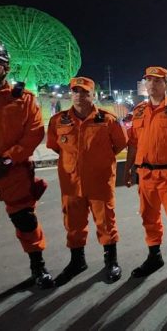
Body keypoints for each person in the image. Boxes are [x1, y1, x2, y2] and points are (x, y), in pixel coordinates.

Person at [0, 40, 54, 308]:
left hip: (14, 172)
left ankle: (38, 267)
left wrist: (7, 159)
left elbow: (34, 133)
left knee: (26, 221)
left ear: (7, 67)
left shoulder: (24, 99)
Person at [47, 77, 128, 286]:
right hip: (71, 183)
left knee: (106, 222)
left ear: (93, 95)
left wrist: (98, 160)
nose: (79, 96)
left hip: (100, 182)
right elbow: (56, 146)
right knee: (73, 223)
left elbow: (120, 144)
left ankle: (111, 262)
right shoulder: (58, 121)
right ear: (70, 94)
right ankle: (77, 261)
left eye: (85, 92)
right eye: (75, 91)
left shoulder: (107, 120)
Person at [124, 66, 167, 282]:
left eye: (157, 80)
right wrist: (128, 169)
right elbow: (133, 143)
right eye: (149, 80)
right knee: (148, 217)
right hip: (145, 175)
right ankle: (154, 256)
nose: (152, 84)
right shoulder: (139, 111)